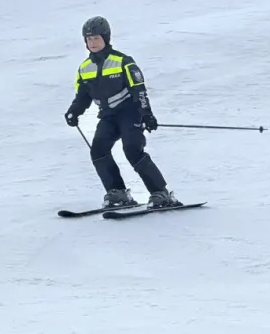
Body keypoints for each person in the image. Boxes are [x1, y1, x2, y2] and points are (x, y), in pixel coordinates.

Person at [64, 16, 182, 209]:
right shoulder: (85, 68)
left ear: (106, 38)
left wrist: (147, 114)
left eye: (96, 38)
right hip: (108, 116)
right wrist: (74, 112)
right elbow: (83, 95)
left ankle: (161, 193)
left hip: (130, 112)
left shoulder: (122, 61)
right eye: (89, 39)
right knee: (98, 151)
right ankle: (117, 193)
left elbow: (139, 90)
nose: (92, 43)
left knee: (132, 150)